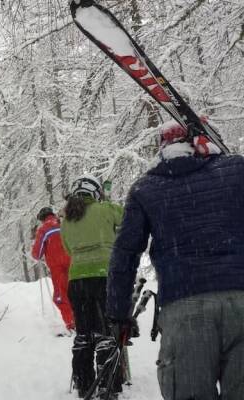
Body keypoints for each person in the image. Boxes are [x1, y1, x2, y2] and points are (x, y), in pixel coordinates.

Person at [107, 121, 244, 400]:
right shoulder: (237, 170)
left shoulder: (145, 189)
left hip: (184, 308)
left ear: (163, 148)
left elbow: (124, 255)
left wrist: (118, 314)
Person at [60, 174, 124, 399]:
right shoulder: (105, 209)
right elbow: (125, 218)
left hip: (77, 281)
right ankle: (108, 386)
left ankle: (84, 384)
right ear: (95, 192)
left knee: (84, 335)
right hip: (103, 278)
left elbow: (68, 250)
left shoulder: (66, 220)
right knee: (105, 333)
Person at [31, 206, 75, 332]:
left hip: (58, 267)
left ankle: (72, 323)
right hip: (74, 263)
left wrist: (35, 244)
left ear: (42, 218)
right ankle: (82, 319)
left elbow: (37, 254)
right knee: (76, 293)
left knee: (60, 296)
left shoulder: (43, 229)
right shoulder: (64, 223)